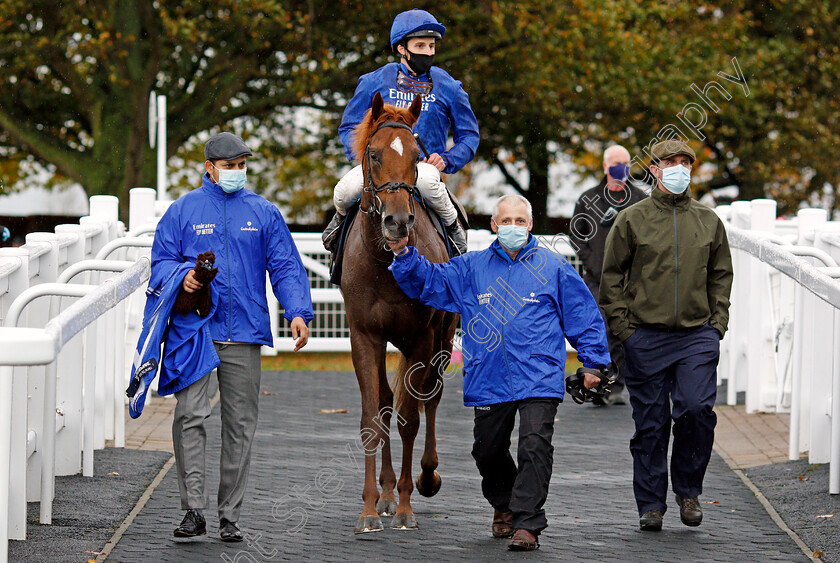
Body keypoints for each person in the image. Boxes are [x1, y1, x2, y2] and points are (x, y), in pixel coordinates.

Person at [387, 194, 611, 551]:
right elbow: (429, 281)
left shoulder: (553, 268)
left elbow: (583, 315)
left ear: (530, 225)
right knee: (487, 451)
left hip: (539, 376)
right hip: (489, 378)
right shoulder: (472, 268)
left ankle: (526, 524)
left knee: (534, 446)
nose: (513, 227)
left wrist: (593, 363)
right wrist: (402, 254)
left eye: (519, 221)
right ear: (494, 226)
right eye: (506, 221)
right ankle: (504, 504)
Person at [151, 132, 314, 542]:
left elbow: (286, 266)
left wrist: (297, 311)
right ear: (210, 167)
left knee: (240, 424)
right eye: (229, 166)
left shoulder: (263, 212)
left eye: (242, 165)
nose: (237, 173)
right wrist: (183, 277)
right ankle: (193, 510)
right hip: (195, 332)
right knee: (190, 415)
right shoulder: (182, 211)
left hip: (245, 331)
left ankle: (229, 516)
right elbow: (159, 264)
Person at [599, 139, 733, 532]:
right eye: (670, 162)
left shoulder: (708, 221)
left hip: (696, 336)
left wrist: (717, 324)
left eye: (684, 163)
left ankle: (688, 491)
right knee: (652, 424)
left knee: (695, 409)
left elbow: (721, 275)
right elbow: (611, 279)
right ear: (654, 169)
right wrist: (626, 331)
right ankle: (651, 503)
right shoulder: (632, 219)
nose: (678, 168)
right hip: (645, 337)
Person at [323, 8, 480, 256]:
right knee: (344, 191)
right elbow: (349, 127)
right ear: (401, 49)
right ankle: (338, 227)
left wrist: (448, 159)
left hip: (423, 168)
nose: (428, 52)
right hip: (380, 168)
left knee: (428, 182)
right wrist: (368, 159)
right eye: (421, 46)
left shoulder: (450, 86)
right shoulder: (373, 81)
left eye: (431, 46)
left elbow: (469, 136)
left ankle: (455, 235)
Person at [570, 145, 647, 405]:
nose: (620, 168)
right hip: (596, 280)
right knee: (598, 330)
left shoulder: (639, 200)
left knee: (623, 332)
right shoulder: (588, 199)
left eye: (625, 163)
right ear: (605, 166)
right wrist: (594, 264)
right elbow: (576, 236)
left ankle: (616, 386)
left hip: (629, 281)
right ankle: (597, 384)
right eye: (615, 163)